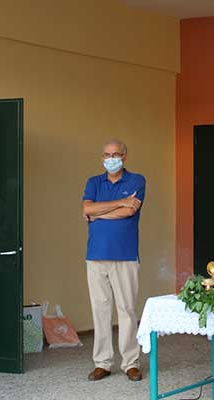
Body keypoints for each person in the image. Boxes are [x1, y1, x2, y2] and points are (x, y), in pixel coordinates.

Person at [82, 139, 145, 382]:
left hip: (125, 255)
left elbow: (130, 211)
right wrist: (119, 202)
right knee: (100, 310)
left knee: (126, 310)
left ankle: (130, 363)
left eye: (115, 154)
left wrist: (98, 213)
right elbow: (87, 209)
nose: (111, 159)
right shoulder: (94, 182)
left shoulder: (137, 180)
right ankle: (103, 363)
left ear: (124, 157)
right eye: (107, 155)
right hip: (96, 256)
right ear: (102, 158)